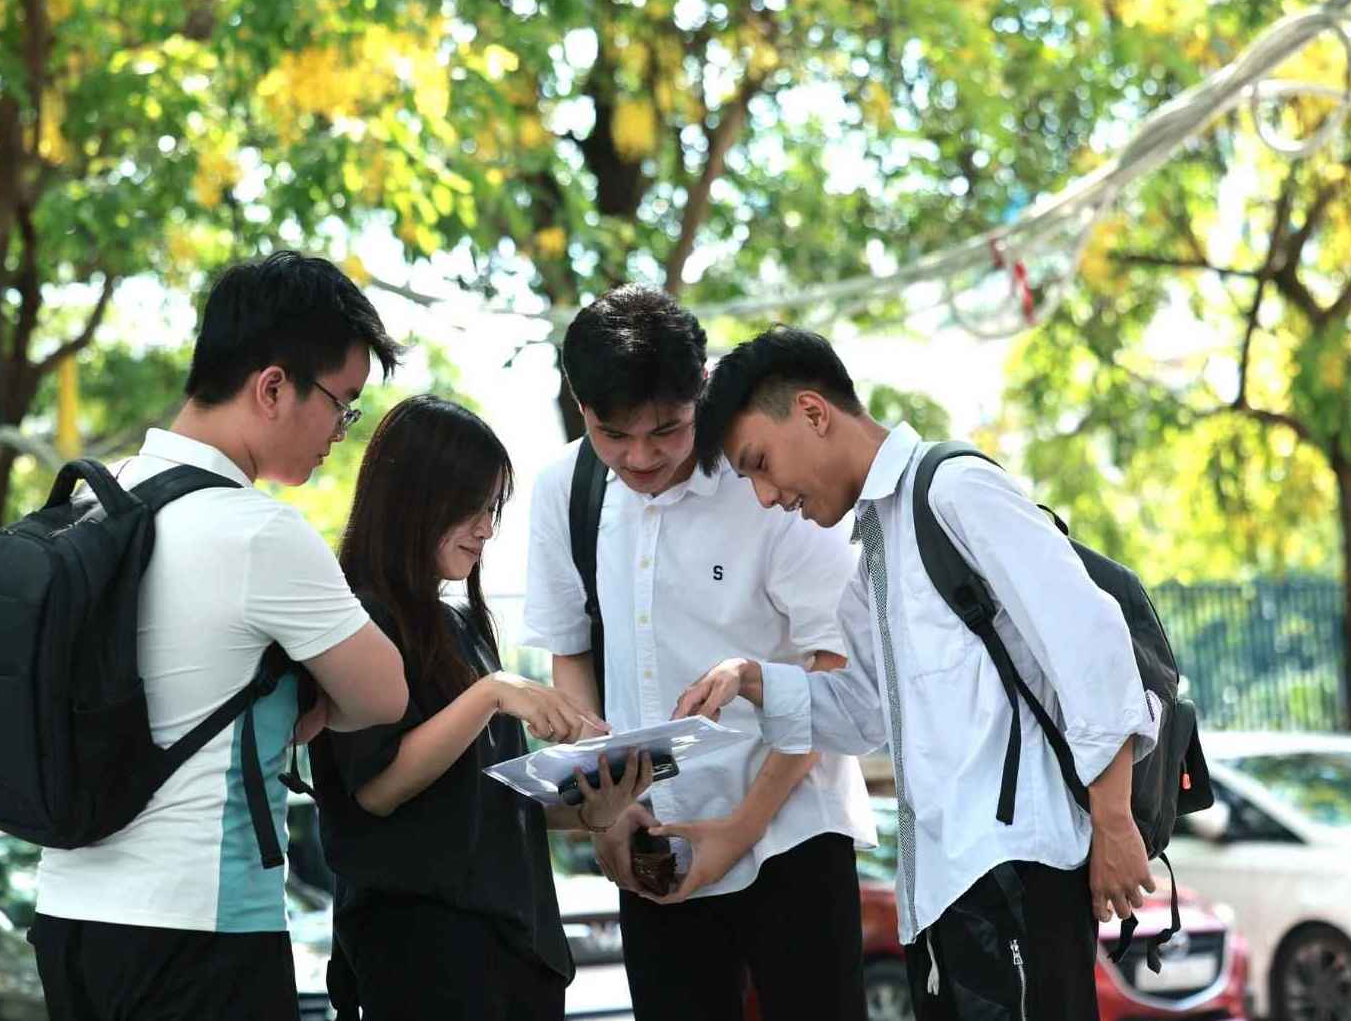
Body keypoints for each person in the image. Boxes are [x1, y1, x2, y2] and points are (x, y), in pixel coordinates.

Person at [675, 325, 1162, 1021]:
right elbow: (863, 713)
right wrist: (753, 679)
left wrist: (1113, 820)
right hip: (938, 894)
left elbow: (1090, 642)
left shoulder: (955, 490)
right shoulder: (872, 556)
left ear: (813, 413)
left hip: (1011, 872)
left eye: (757, 462)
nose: (762, 495)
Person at [30, 251, 413, 1021]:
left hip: (67, 921)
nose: (343, 429)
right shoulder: (257, 533)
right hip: (197, 932)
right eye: (343, 403)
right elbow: (384, 694)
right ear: (272, 387)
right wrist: (312, 703)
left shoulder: (101, 506)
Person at [522, 287, 874, 1021]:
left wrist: (739, 829)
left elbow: (833, 665)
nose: (640, 455)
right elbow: (572, 656)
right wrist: (610, 813)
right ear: (578, 404)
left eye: (668, 430)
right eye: (612, 432)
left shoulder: (766, 477)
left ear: (701, 390)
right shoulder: (567, 489)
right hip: (652, 842)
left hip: (789, 834)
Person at [312, 394, 645, 1021]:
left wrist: (592, 810)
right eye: (472, 507)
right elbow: (378, 788)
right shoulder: (357, 621)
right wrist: (492, 694)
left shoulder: (462, 625)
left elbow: (486, 802)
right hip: (425, 949)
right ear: (414, 498)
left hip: (516, 946)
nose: (486, 528)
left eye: (492, 508)